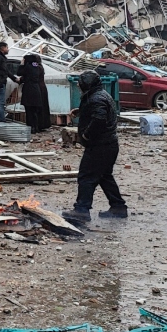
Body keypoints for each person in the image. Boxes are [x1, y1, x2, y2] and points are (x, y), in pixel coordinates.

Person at [63, 70, 127, 223]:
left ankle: (82, 210)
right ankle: (118, 207)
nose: (78, 86)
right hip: (108, 145)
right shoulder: (99, 95)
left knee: (86, 176)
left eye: (80, 84)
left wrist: (86, 135)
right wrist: (82, 112)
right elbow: (98, 112)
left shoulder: (96, 98)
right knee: (104, 176)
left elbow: (99, 119)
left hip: (100, 145)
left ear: (87, 85)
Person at [17, 53, 50, 132]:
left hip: (30, 90)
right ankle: (37, 126)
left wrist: (22, 64)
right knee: (36, 110)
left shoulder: (28, 67)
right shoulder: (38, 67)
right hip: (38, 90)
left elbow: (19, 72)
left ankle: (32, 127)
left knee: (29, 110)